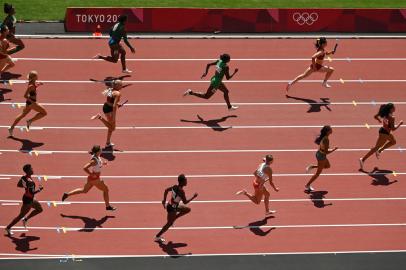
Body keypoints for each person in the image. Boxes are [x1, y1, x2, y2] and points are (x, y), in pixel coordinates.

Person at [62, 145, 116, 211]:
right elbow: (85, 168)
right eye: (100, 149)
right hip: (95, 179)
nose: (101, 150)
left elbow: (97, 165)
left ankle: (67, 194)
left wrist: (103, 164)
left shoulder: (97, 157)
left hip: (91, 179)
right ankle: (108, 206)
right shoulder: (94, 160)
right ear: (97, 152)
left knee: (84, 190)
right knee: (106, 190)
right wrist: (91, 174)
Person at [154, 174, 198, 243]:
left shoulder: (175, 186)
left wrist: (164, 200)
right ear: (182, 182)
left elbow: (166, 190)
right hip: (172, 209)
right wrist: (193, 197)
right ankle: (157, 236)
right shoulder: (181, 192)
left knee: (187, 210)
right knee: (168, 224)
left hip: (171, 205)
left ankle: (173, 219)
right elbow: (185, 202)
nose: (187, 181)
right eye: (185, 180)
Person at [359, 103, 403, 170]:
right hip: (385, 134)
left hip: (383, 131)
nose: (395, 108)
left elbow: (375, 116)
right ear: (391, 109)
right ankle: (363, 159)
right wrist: (400, 124)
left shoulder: (385, 113)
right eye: (394, 107)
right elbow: (393, 129)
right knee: (377, 148)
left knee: (393, 142)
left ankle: (379, 151)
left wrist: (379, 120)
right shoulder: (392, 118)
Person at [5, 164, 43, 236]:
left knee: (40, 209)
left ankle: (25, 219)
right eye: (31, 169)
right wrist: (39, 190)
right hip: (28, 200)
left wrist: (25, 186)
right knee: (20, 215)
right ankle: (8, 227)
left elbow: (19, 185)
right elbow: (32, 192)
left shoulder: (24, 177)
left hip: (28, 198)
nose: (32, 169)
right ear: (28, 171)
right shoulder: (30, 182)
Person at [8, 71, 46, 137]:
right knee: (44, 113)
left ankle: (11, 128)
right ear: (34, 77)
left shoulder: (32, 83)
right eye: (36, 75)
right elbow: (25, 95)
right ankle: (30, 121)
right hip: (32, 103)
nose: (38, 76)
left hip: (29, 103)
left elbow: (33, 89)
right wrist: (32, 102)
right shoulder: (31, 85)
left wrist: (38, 85)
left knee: (22, 115)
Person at [305, 125, 338, 192]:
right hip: (321, 156)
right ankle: (307, 185)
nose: (332, 130)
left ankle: (312, 166)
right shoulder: (326, 139)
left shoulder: (324, 137)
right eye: (330, 129)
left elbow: (319, 143)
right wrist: (334, 149)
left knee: (327, 166)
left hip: (319, 153)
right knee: (318, 174)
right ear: (327, 131)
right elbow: (326, 152)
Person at [91, 80, 123, 147]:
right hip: (110, 110)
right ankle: (100, 117)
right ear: (117, 85)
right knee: (113, 128)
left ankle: (108, 142)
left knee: (110, 126)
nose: (122, 86)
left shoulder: (110, 90)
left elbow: (110, 101)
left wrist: (118, 104)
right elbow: (113, 106)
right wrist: (114, 115)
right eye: (121, 85)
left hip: (106, 107)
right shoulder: (118, 93)